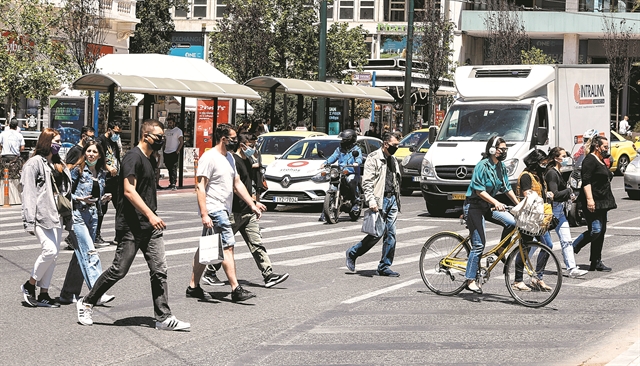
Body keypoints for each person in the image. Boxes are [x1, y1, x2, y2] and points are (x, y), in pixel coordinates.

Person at [75, 119, 190, 331]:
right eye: (158, 137)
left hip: (150, 227)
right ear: (146, 135)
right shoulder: (132, 157)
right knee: (119, 270)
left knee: (159, 270)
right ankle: (87, 302)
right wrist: (150, 215)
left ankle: (163, 317)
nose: (161, 140)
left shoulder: (150, 159)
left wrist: (152, 216)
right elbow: (129, 191)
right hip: (132, 225)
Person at [186, 124, 265, 302]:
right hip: (215, 209)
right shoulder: (209, 157)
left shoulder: (229, 157)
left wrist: (252, 204)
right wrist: (204, 214)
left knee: (206, 248)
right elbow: (200, 186)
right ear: (224, 139)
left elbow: (237, 184)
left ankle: (193, 286)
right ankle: (236, 288)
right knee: (228, 246)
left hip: (223, 209)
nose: (236, 141)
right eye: (233, 138)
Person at [201, 133, 289, 289]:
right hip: (234, 211)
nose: (253, 148)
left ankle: (268, 274)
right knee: (223, 245)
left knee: (257, 243)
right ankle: (210, 272)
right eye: (250, 144)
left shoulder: (249, 160)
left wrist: (254, 203)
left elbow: (251, 184)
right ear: (242, 145)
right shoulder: (232, 160)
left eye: (254, 144)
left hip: (247, 212)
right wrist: (252, 202)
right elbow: (235, 186)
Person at [58, 141, 116, 305]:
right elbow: (65, 193)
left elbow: (97, 194)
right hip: (77, 215)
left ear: (100, 155)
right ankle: (97, 293)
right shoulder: (77, 170)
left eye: (94, 152)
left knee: (79, 256)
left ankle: (68, 294)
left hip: (93, 215)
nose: (91, 154)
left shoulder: (101, 172)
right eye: (88, 151)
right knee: (90, 253)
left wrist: (103, 199)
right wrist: (79, 198)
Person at [20, 128, 71, 307]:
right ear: (46, 142)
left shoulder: (57, 163)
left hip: (57, 214)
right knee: (49, 251)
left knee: (54, 256)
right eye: (55, 141)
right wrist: (28, 219)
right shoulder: (34, 163)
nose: (58, 144)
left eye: (59, 141)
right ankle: (30, 284)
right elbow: (28, 193)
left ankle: (44, 293)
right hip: (41, 214)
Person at [463, 136, 519, 294]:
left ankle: (499, 251)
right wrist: (496, 203)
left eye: (506, 149)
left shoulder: (500, 166)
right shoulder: (482, 166)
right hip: (473, 206)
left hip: (487, 207)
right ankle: (470, 279)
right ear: (492, 150)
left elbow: (507, 187)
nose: (504, 152)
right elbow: (479, 190)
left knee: (512, 223)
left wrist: (518, 205)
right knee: (479, 244)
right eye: (502, 149)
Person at [345, 131, 402, 277]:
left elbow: (395, 180)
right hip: (379, 200)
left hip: (392, 200)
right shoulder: (373, 158)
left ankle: (384, 266)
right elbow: (367, 182)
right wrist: (371, 200)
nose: (396, 148)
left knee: (391, 234)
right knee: (376, 234)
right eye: (394, 145)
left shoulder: (393, 159)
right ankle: (352, 253)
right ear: (385, 144)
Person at [513, 149, 556, 292]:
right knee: (525, 247)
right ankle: (518, 280)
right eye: (542, 162)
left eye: (545, 163)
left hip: (539, 219)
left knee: (548, 245)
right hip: (528, 219)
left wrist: (547, 195)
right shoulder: (526, 176)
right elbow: (527, 194)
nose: (544, 165)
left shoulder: (539, 176)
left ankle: (538, 278)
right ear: (534, 162)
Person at [572, 135, 616, 272]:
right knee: (595, 230)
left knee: (601, 231)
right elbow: (586, 181)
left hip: (603, 201)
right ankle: (573, 247)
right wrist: (590, 200)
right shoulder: (589, 160)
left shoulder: (600, 159)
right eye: (604, 147)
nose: (606, 150)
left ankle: (596, 261)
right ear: (597, 146)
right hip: (592, 201)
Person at [544, 147, 588, 278]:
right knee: (540, 242)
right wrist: (568, 192)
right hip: (551, 211)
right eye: (563, 156)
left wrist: (570, 195)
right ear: (556, 158)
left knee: (567, 240)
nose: (566, 158)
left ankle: (572, 268)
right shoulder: (552, 173)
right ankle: (523, 263)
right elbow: (555, 195)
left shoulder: (558, 171)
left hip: (560, 211)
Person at [95, 121, 122, 245]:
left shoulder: (114, 142)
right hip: (105, 179)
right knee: (102, 208)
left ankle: (119, 235)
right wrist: (108, 168)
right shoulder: (100, 141)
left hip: (115, 179)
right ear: (109, 129)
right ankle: (96, 234)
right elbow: (98, 159)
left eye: (119, 133)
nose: (117, 135)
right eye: (115, 132)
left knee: (120, 207)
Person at [324, 129, 363, 210]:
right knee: (332, 186)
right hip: (341, 172)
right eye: (342, 139)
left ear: (350, 140)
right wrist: (325, 163)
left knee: (350, 180)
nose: (342, 141)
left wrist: (356, 163)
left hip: (352, 172)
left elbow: (359, 158)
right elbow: (333, 157)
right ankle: (325, 212)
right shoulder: (339, 149)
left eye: (344, 140)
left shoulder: (356, 149)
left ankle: (356, 201)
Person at [162, 118, 183, 191]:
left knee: (173, 168)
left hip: (173, 151)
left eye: (170, 122)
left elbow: (181, 142)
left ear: (174, 123)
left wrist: (177, 151)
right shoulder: (166, 131)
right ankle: (171, 182)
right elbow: (165, 141)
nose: (169, 124)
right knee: (169, 168)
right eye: (168, 123)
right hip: (166, 151)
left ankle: (174, 184)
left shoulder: (178, 131)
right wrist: (163, 149)